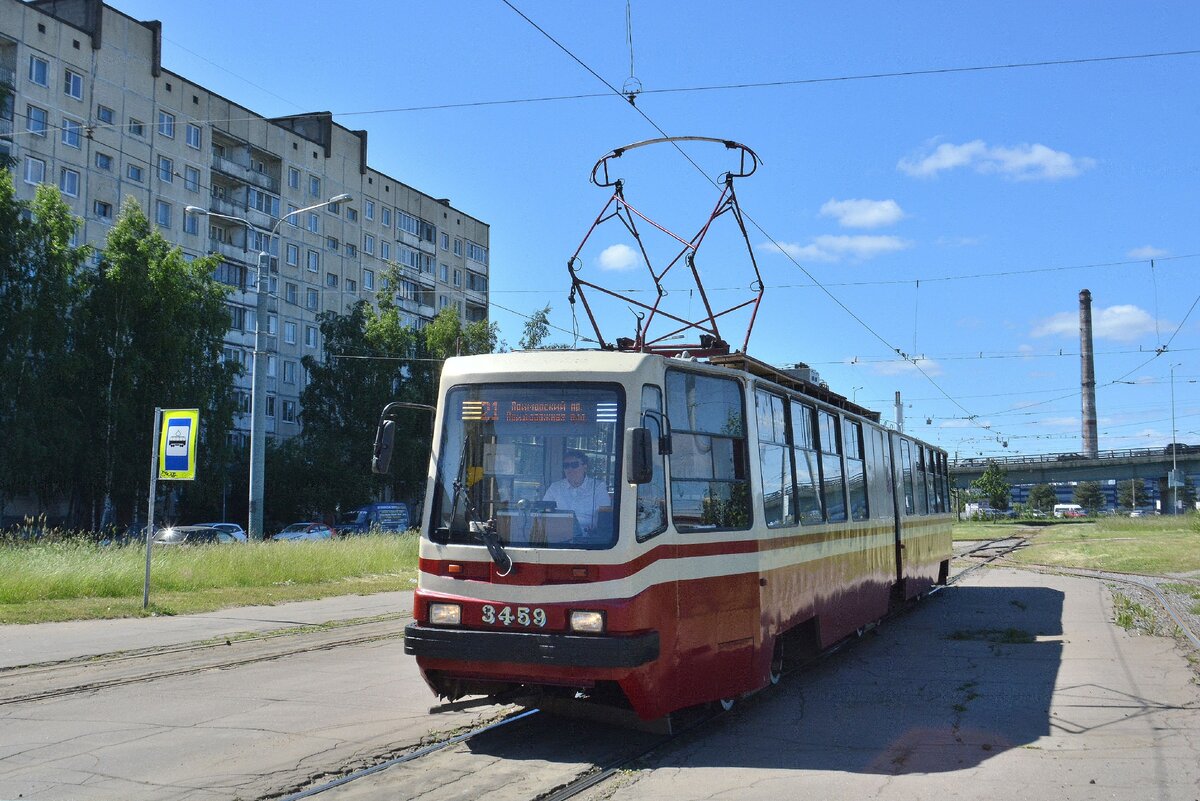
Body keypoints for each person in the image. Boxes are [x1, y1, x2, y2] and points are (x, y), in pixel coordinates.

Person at [543, 450, 610, 534]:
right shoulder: (555, 488)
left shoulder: (598, 487)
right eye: (566, 466)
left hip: (589, 540)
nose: (570, 469)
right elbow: (543, 513)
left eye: (574, 465)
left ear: (585, 467)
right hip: (558, 536)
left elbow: (604, 518)